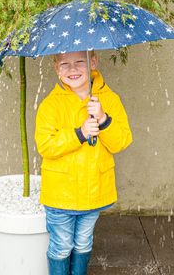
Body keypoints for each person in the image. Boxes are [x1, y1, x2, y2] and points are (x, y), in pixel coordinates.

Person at [34, 50, 132, 275]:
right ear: (56, 69)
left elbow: (121, 142)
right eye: (65, 64)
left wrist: (104, 119)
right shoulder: (50, 105)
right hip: (61, 194)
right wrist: (79, 133)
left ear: (93, 62)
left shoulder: (109, 99)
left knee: (83, 243)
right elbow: (46, 146)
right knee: (62, 246)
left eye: (80, 62)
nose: (73, 69)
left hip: (93, 191)